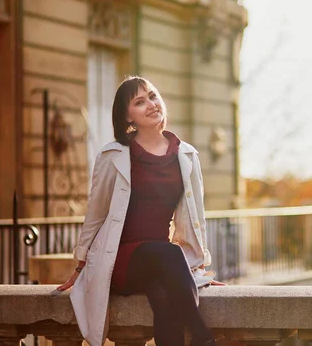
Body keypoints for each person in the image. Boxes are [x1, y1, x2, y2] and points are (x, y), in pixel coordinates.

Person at [57, 76, 225, 346]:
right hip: (120, 257)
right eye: (139, 101)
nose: (151, 104)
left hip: (160, 262)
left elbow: (196, 217)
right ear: (127, 117)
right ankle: (204, 338)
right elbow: (96, 214)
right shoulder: (113, 155)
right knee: (169, 252)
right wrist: (80, 265)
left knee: (163, 298)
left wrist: (199, 268)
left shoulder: (187, 155)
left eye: (153, 96)